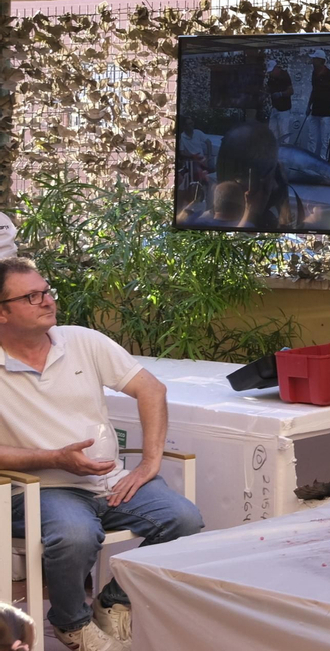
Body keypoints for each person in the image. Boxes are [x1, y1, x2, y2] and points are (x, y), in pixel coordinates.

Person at [0, 257, 204, 651]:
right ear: (3, 313)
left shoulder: (81, 340)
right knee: (76, 535)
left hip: (107, 479)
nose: (47, 301)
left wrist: (149, 462)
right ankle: (71, 623)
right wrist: (54, 457)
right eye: (31, 296)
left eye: (47, 291)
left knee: (184, 520)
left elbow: (152, 390)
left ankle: (112, 601)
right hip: (40, 488)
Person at [301, 49, 330, 159]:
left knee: (324, 140)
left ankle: (323, 161)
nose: (312, 61)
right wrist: (308, 106)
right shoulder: (314, 73)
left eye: (314, 59)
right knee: (312, 138)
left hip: (326, 113)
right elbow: (314, 90)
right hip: (315, 110)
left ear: (320, 60)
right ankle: (310, 160)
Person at [265, 58, 293, 145]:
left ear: (276, 68)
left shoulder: (284, 75)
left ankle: (285, 153)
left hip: (284, 109)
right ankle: (274, 151)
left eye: (272, 71)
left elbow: (291, 91)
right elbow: (269, 90)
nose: (271, 74)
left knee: (283, 132)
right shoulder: (271, 78)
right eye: (269, 72)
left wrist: (280, 94)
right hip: (275, 107)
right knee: (272, 131)